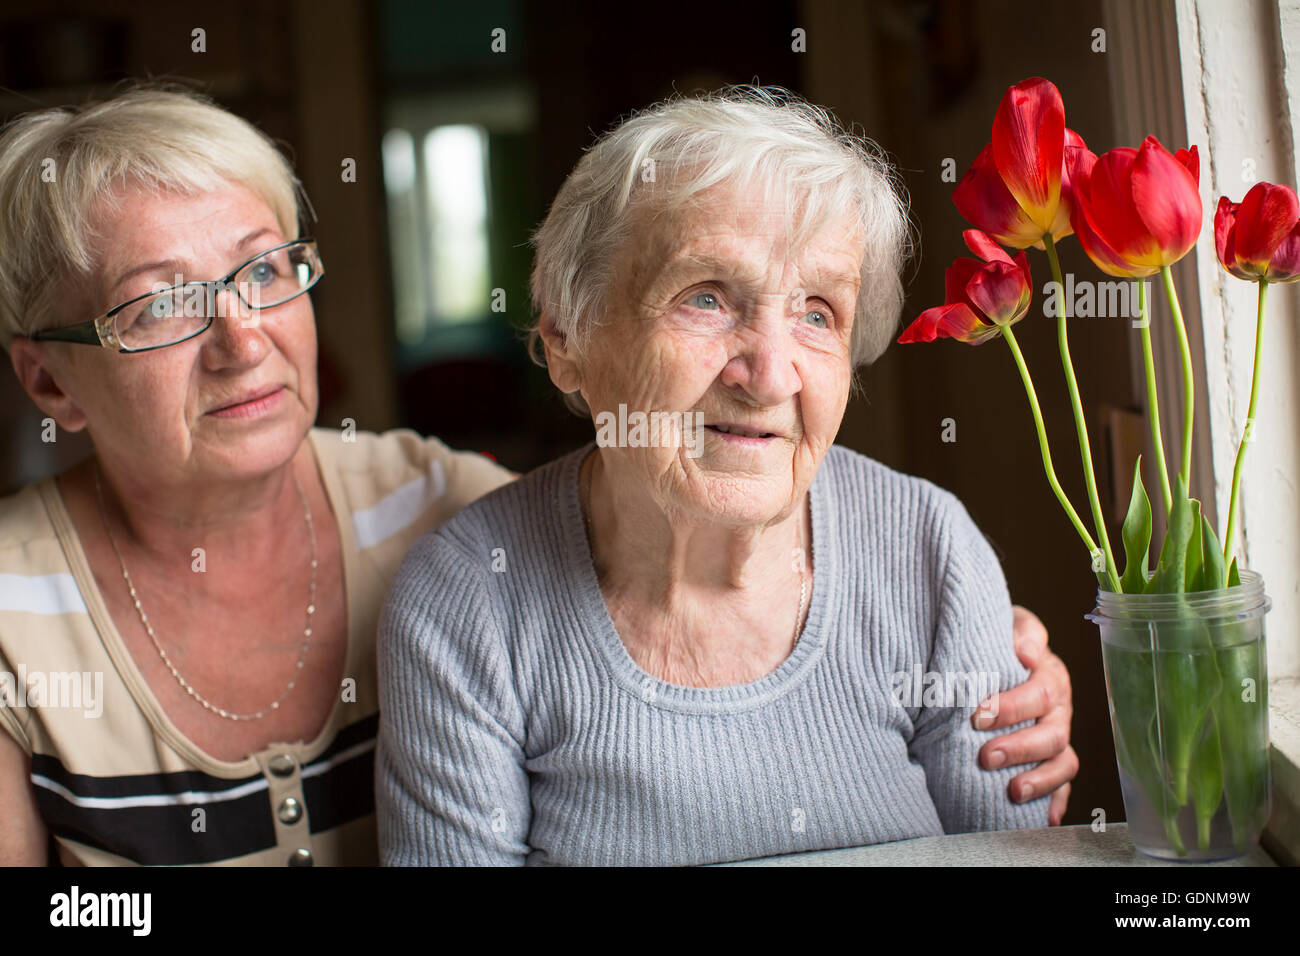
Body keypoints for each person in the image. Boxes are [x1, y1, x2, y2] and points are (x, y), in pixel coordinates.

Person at [377, 86, 1078, 866]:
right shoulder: (467, 602)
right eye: (706, 298)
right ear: (568, 340)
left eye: (818, 313)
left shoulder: (929, 551)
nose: (770, 375)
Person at [0, 87, 513, 865]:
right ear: (50, 385)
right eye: (161, 305)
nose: (242, 342)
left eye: (267, 269)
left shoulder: (449, 510)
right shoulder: (12, 616)